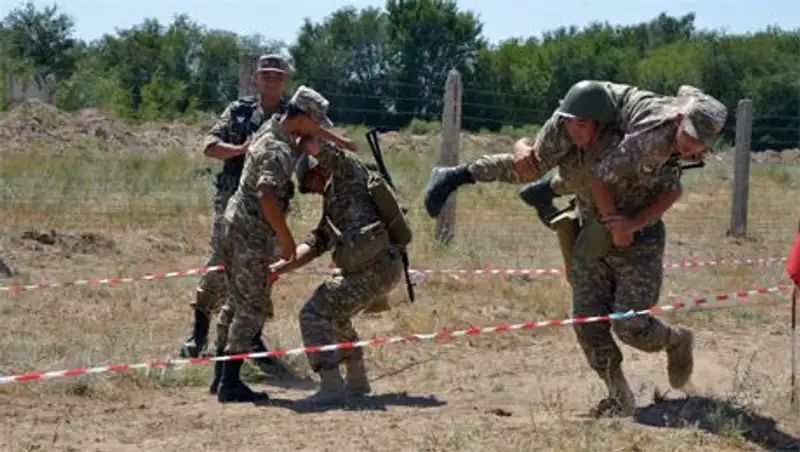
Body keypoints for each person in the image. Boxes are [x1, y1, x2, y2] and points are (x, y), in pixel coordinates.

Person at [423, 80, 727, 417]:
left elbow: (671, 190)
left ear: (600, 124)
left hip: (638, 242)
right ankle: (619, 396)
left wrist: (630, 225)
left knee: (630, 326)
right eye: (570, 122)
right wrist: (520, 146)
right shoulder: (568, 139)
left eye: (582, 124)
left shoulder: (646, 144)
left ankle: (676, 340)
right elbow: (532, 164)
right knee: (586, 322)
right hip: (592, 234)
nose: (574, 130)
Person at [208, 85, 357, 403]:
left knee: (235, 301)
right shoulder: (276, 149)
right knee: (252, 306)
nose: (318, 129)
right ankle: (230, 383)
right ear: (302, 118)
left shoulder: (273, 125)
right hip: (252, 233)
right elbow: (266, 195)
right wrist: (286, 239)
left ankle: (220, 376)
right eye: (315, 122)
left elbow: (307, 132)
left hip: (235, 224)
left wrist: (339, 142)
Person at [269, 89, 406, 403]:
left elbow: (316, 145)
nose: (314, 190)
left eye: (311, 184)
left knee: (313, 314)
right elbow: (316, 243)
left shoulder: (347, 170)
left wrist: (300, 129)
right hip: (377, 268)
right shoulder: (333, 201)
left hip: (376, 267)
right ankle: (357, 382)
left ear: (319, 170)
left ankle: (331, 386)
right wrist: (280, 267)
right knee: (336, 315)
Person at [179, 54, 295, 377]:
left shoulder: (292, 115)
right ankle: (199, 333)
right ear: (256, 78)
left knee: (262, 270)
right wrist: (242, 150)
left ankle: (251, 338)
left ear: (285, 81)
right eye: (265, 74)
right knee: (220, 264)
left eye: (277, 75)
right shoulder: (239, 111)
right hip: (232, 200)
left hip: (270, 208)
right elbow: (210, 145)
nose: (271, 80)